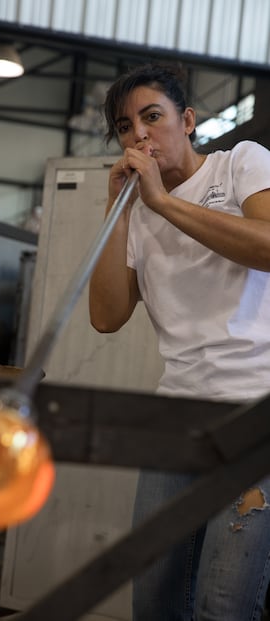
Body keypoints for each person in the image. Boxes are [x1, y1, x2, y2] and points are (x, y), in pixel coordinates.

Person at [89, 63, 270, 620]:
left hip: (253, 412)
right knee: (156, 598)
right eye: (125, 127)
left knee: (223, 602)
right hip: (175, 420)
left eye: (152, 117)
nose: (139, 135)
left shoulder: (239, 163)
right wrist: (118, 213)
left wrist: (164, 204)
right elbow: (106, 316)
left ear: (187, 120)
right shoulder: (137, 212)